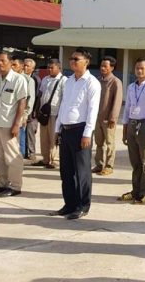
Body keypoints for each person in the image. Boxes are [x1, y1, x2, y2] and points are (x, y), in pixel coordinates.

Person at [50, 48, 101, 219]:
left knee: (82, 171)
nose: (72, 61)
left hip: (81, 130)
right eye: (71, 58)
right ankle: (69, 204)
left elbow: (93, 111)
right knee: (66, 171)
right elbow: (63, 106)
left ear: (86, 61)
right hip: (66, 129)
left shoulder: (92, 83)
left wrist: (87, 134)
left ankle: (82, 205)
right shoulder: (69, 81)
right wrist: (57, 129)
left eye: (76, 59)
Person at [118, 57, 145, 205]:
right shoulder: (131, 87)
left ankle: (144, 193)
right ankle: (135, 191)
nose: (139, 71)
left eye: (142, 68)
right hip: (132, 124)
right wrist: (125, 130)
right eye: (137, 68)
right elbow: (127, 109)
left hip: (144, 125)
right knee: (135, 161)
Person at [0, 51, 28, 197]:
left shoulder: (18, 79)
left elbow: (22, 102)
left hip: (9, 124)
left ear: (10, 62)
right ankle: (2, 184)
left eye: (3, 61)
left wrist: (16, 124)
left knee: (12, 156)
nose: (0, 63)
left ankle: (15, 186)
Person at [92, 56, 122, 176]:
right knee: (99, 143)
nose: (102, 68)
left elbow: (117, 101)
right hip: (97, 117)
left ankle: (109, 166)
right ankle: (99, 164)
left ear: (112, 68)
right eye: (101, 66)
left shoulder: (115, 82)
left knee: (110, 143)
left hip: (108, 119)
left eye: (105, 66)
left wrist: (113, 118)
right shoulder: (98, 81)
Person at [37, 59, 66, 169]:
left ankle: (54, 160)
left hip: (55, 114)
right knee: (44, 138)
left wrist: (61, 114)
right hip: (44, 113)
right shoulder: (45, 79)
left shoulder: (64, 80)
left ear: (59, 68)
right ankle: (45, 159)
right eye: (48, 67)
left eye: (52, 67)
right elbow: (40, 95)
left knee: (54, 137)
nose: (49, 69)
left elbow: (65, 99)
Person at [11, 58, 36, 159]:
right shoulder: (10, 78)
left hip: (21, 114)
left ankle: (20, 157)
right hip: (10, 113)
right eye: (11, 65)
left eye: (14, 65)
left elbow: (30, 99)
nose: (12, 67)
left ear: (20, 66)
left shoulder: (28, 80)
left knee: (20, 135)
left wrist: (25, 115)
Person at [23, 58, 42, 161]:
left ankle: (32, 153)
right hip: (23, 111)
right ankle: (24, 152)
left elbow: (37, 97)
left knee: (30, 132)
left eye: (28, 66)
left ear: (33, 68)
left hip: (32, 112)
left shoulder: (35, 80)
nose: (25, 67)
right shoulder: (21, 77)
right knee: (23, 133)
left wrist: (33, 112)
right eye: (24, 65)